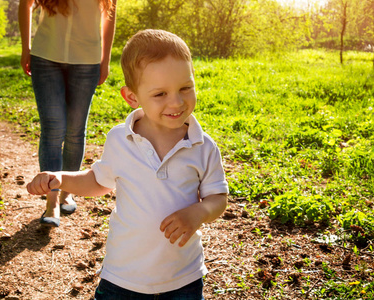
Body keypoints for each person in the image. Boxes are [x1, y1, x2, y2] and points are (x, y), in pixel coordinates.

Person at [27, 29, 228, 299]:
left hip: (183, 278)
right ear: (132, 97)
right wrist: (61, 178)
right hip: (123, 278)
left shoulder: (203, 146)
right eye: (160, 94)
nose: (177, 101)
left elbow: (218, 197)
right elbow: (97, 181)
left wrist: (198, 213)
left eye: (185, 88)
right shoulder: (120, 140)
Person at [18, 0, 117, 227]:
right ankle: (51, 202)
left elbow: (109, 16)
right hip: (45, 57)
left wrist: (106, 59)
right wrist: (26, 48)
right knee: (53, 129)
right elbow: (25, 4)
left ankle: (67, 192)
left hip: (87, 60)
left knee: (74, 131)